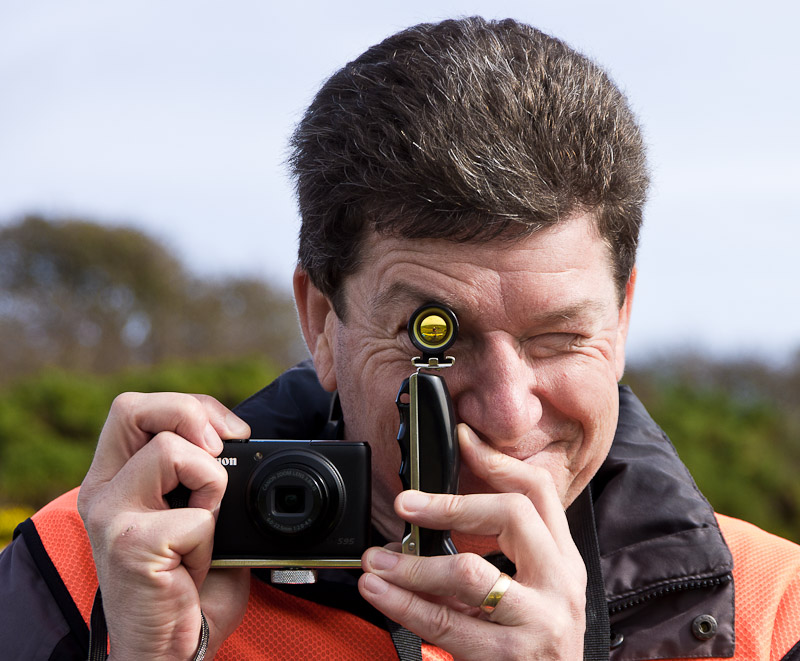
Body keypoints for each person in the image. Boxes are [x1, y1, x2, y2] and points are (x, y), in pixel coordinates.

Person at [2, 16, 799, 661]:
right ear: (321, 321)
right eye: (435, 340)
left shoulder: (771, 611)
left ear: (621, 318)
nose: (508, 413)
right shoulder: (87, 565)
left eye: (558, 338)